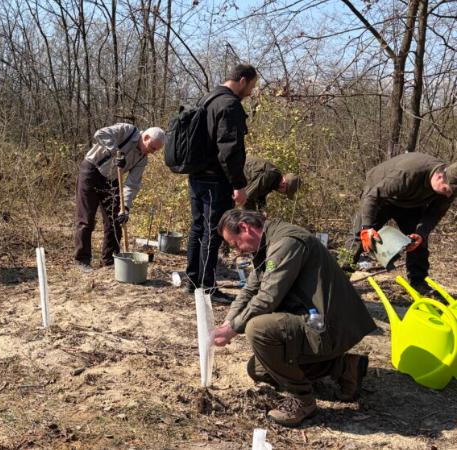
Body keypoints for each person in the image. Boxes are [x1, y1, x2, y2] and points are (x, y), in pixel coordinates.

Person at [212, 209, 376, 426]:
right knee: (260, 370)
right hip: (314, 320)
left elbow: (267, 298)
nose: (238, 250)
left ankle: (302, 400)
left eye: (236, 244)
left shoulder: (286, 243)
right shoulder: (268, 245)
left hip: (327, 325)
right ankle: (344, 367)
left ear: (245, 227)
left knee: (258, 329)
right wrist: (227, 322)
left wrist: (233, 329)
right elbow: (250, 289)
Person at [184, 64, 257, 302]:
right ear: (243, 80)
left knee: (198, 228)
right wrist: (239, 184)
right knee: (213, 232)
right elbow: (229, 150)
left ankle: (193, 280)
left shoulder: (207, 99)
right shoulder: (229, 105)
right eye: (252, 86)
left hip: (196, 176)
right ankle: (206, 287)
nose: (251, 93)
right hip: (216, 180)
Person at [348, 152, 456, 293]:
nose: (448, 195)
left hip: (410, 204)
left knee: (418, 241)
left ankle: (419, 283)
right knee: (359, 237)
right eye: (446, 190)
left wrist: (421, 234)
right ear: (439, 176)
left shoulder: (450, 188)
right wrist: (367, 227)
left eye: (452, 193)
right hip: (381, 197)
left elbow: (434, 214)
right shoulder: (408, 172)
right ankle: (341, 274)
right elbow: (373, 196)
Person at [73, 124, 166, 272]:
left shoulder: (142, 159)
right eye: (153, 148)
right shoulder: (127, 130)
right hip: (91, 171)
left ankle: (109, 260)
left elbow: (132, 185)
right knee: (86, 220)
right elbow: (100, 133)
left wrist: (126, 208)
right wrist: (117, 153)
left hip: (112, 180)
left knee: (116, 220)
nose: (153, 152)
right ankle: (82, 260)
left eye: (156, 150)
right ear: (146, 137)